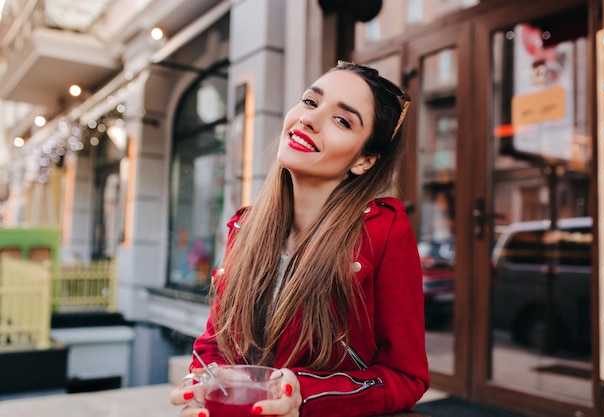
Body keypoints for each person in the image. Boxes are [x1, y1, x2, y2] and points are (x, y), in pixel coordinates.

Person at [171, 61, 429, 417]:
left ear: (365, 161)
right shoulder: (244, 229)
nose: (309, 119)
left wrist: (303, 394)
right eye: (310, 102)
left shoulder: (383, 232)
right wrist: (202, 381)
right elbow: (215, 345)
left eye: (343, 120)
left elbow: (405, 377)